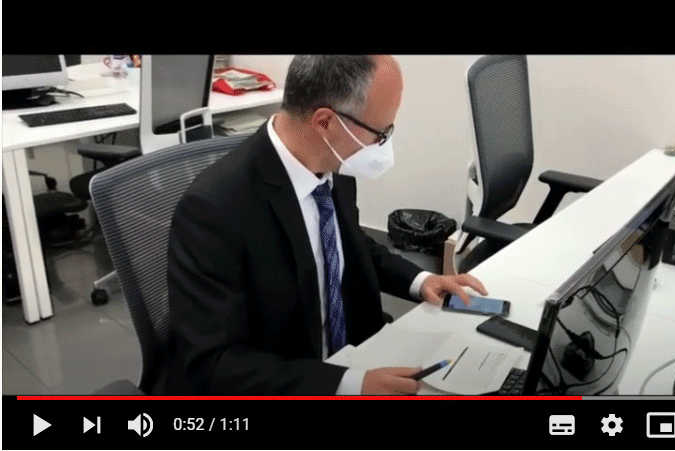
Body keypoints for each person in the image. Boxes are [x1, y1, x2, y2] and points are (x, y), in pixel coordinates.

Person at [165, 55, 487, 395]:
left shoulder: (333, 165)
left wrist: (421, 281)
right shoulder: (214, 209)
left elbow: (352, 244)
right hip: (289, 381)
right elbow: (214, 364)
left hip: (354, 354)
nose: (383, 147)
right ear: (325, 122)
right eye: (380, 133)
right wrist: (349, 384)